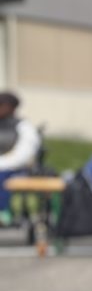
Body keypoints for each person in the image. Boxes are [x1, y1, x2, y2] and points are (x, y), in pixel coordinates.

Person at [0, 91, 41, 222]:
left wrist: (2, 163)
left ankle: (3, 211)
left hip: (15, 169)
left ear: (12, 107)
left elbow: (22, 155)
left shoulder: (23, 127)